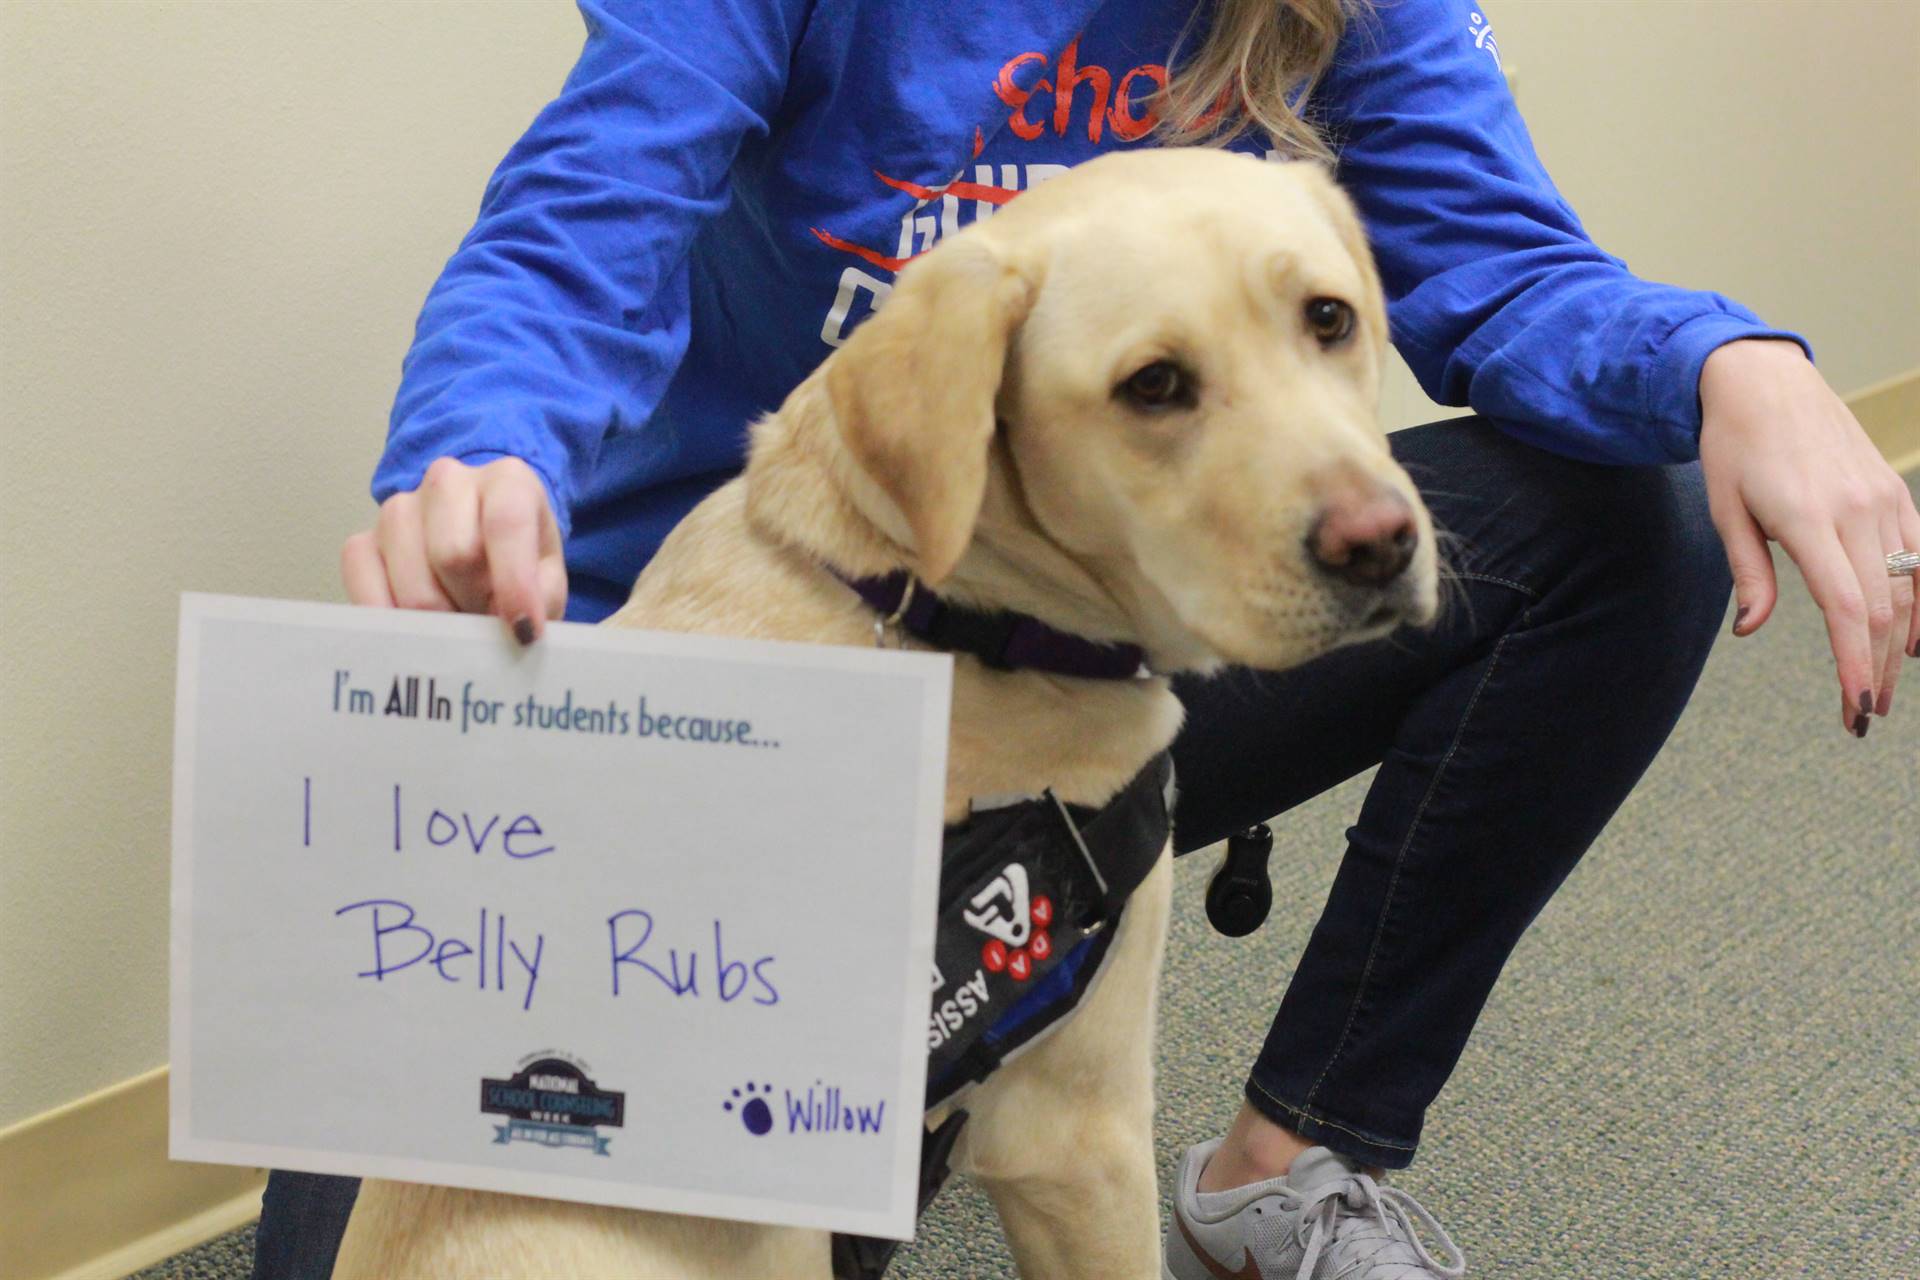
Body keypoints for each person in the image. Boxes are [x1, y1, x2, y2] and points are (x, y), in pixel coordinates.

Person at [256, 2, 1919, 1277]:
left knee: (1644, 518)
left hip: (1117, 630)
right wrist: (479, 459)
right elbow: (580, 225)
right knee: (383, 1228)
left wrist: (1728, 363)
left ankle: (1291, 1165)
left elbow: (1496, 260)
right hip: (735, 661)